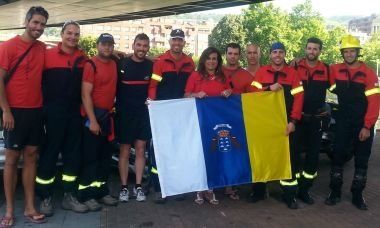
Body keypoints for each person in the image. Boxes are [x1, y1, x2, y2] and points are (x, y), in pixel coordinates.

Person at [0, 6, 49, 226]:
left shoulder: (42, 49)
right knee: (11, 160)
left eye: (42, 24)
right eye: (35, 22)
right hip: (15, 112)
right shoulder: (8, 46)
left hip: (36, 110)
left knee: (31, 157)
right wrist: (6, 110)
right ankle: (9, 210)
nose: (38, 27)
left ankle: (30, 207)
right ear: (27, 21)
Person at [35, 20, 89, 216]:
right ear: (62, 34)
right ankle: (45, 197)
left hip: (74, 114)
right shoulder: (47, 56)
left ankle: (69, 196)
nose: (72, 37)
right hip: (52, 114)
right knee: (49, 155)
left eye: (76, 34)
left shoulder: (83, 58)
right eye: (69, 33)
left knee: (73, 156)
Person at [325, 35, 380, 210]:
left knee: (361, 161)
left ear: (357, 52)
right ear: (342, 53)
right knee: (338, 157)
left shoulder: (369, 73)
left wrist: (367, 126)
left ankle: (357, 195)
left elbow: (374, 102)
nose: (349, 54)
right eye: (346, 51)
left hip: (362, 123)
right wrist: (297, 62)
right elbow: (317, 71)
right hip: (342, 121)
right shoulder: (334, 69)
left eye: (352, 51)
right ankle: (335, 192)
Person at [250, 42, 304, 209]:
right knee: (263, 157)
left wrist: (293, 121)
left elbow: (299, 99)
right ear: (270, 54)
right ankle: (258, 192)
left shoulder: (293, 74)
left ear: (284, 54)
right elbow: (252, 94)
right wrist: (268, 88)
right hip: (265, 124)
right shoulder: (261, 72)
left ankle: (289, 195)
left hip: (286, 124)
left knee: (289, 160)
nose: (278, 55)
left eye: (281, 52)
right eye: (275, 52)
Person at [148, 28, 195, 203]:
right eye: (174, 40)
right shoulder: (160, 62)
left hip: (182, 114)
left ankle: (178, 187)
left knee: (179, 150)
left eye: (180, 40)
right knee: (159, 150)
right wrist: (152, 103)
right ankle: (158, 188)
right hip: (162, 113)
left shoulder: (190, 63)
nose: (177, 43)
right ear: (170, 42)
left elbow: (192, 86)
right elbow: (153, 86)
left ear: (184, 42)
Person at [184, 47, 231, 205]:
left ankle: (210, 189)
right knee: (200, 154)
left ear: (218, 61)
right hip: (199, 122)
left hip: (217, 124)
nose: (211, 61)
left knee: (214, 154)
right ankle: (199, 188)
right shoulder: (195, 76)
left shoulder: (222, 77)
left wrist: (228, 92)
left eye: (215, 59)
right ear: (203, 60)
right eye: (209, 58)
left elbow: (229, 91)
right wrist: (195, 95)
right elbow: (185, 96)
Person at [77, 33, 119, 211]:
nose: (107, 48)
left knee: (104, 158)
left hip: (108, 117)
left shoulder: (115, 63)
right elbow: (85, 94)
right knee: (91, 159)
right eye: (104, 44)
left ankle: (101, 192)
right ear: (97, 45)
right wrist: (92, 120)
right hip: (93, 117)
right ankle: (86, 195)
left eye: (110, 44)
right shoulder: (91, 64)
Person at [291, 37, 331, 205]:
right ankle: (290, 192)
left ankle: (304, 191)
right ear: (305, 49)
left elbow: (341, 91)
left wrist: (329, 108)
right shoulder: (294, 66)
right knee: (294, 156)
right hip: (298, 119)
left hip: (316, 120)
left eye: (315, 49)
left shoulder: (327, 69)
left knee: (313, 157)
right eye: (309, 48)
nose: (312, 51)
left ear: (320, 51)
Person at [116, 33, 153, 202]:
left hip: (143, 114)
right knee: (124, 150)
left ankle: (138, 186)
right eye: (139, 45)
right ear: (133, 45)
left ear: (148, 48)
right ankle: (124, 187)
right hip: (124, 114)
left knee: (140, 150)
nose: (142, 49)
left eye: (145, 46)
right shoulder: (122, 63)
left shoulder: (151, 66)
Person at [222, 43, 253, 200]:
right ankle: (216, 183)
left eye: (235, 54)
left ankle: (231, 186)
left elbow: (257, 95)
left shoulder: (247, 75)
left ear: (239, 56)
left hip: (237, 121)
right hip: (217, 118)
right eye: (230, 53)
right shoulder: (216, 70)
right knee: (217, 151)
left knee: (234, 152)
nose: (232, 56)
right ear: (225, 54)